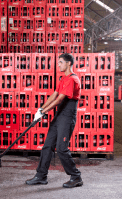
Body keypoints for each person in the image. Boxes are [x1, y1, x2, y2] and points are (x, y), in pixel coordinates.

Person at [25, 53, 83, 188]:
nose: (59, 64)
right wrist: (40, 110)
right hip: (58, 116)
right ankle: (41, 176)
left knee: (62, 148)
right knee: (47, 146)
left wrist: (44, 112)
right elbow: (54, 95)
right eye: (58, 62)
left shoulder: (72, 79)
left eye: (61, 62)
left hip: (67, 117)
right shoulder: (63, 79)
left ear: (69, 63)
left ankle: (76, 176)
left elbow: (59, 100)